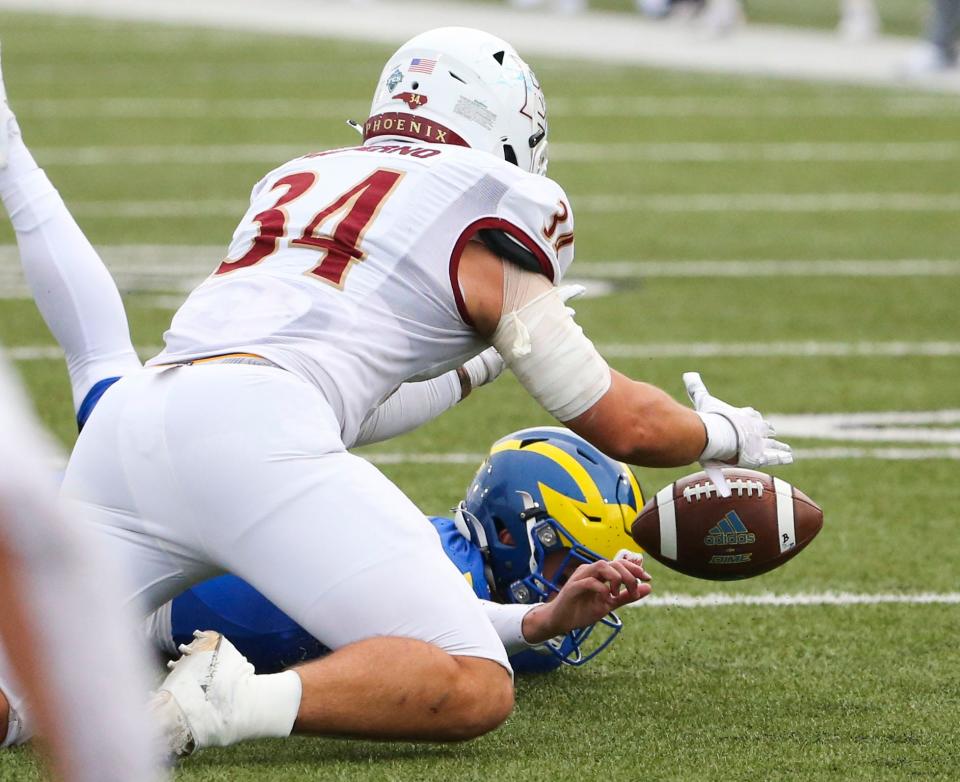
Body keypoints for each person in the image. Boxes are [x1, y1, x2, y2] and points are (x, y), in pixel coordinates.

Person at [2, 26, 791, 758]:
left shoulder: (306, 181)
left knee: (30, 688)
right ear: (505, 132)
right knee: (475, 682)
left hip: (136, 424)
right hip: (254, 436)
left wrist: (479, 366)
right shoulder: (480, 212)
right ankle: (224, 702)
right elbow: (628, 425)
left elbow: (351, 402)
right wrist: (727, 432)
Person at [148, 427, 648, 677]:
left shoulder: (487, 580)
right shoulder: (451, 565)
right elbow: (455, 621)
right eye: (572, 561)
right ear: (509, 534)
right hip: (147, 601)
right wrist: (536, 621)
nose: (581, 580)